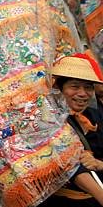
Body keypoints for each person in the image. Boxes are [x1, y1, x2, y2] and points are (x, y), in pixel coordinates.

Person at [39, 53, 103, 206]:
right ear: (58, 88)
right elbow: (70, 166)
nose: (82, 93)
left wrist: (98, 164)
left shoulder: (95, 116)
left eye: (88, 87)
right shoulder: (47, 121)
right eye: (74, 86)